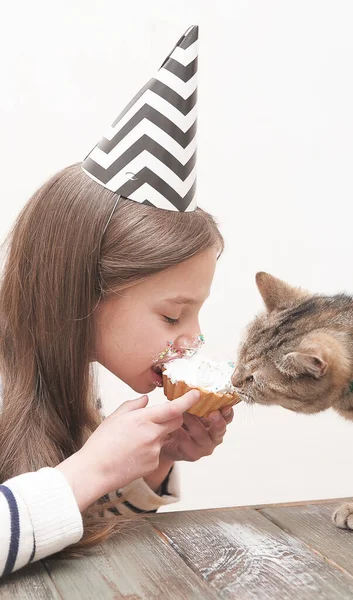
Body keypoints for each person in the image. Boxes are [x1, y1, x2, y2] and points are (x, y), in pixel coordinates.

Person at [0, 25, 234, 578]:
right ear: (82, 293)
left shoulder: (68, 384)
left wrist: (152, 464)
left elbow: (66, 532)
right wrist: (86, 471)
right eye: (173, 314)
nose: (193, 337)